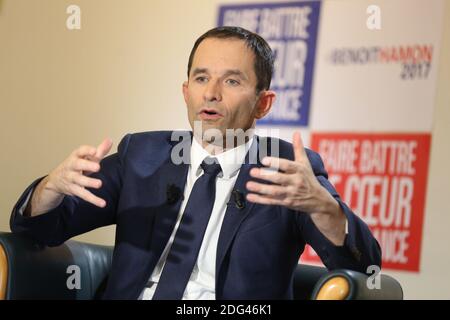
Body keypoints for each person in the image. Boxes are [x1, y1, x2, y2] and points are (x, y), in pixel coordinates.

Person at [10, 26, 381, 300]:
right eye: (201, 78)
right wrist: (51, 188)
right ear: (186, 91)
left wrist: (326, 210)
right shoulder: (142, 154)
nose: (212, 93)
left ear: (263, 104)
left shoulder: (286, 169)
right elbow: (40, 230)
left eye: (232, 81)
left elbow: (364, 270)